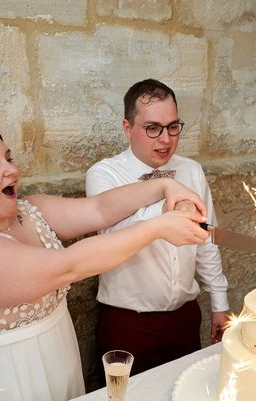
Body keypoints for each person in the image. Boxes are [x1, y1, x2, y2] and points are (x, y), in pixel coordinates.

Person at [0, 120, 208, 401]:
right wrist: (157, 227)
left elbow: (98, 209)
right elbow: (67, 266)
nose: (11, 170)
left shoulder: (30, 211)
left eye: (8, 158)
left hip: (57, 363)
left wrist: (163, 187)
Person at [86, 79, 230, 377]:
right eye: (153, 128)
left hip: (185, 318)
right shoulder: (104, 174)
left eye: (173, 127)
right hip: (127, 323)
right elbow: (113, 241)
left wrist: (220, 302)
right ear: (128, 128)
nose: (165, 139)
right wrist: (167, 209)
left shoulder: (192, 170)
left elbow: (206, 240)